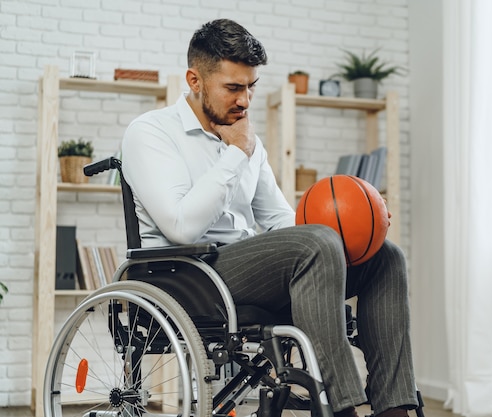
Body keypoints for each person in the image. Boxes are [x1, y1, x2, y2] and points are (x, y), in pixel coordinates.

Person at [122, 18, 418, 417]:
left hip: (246, 271)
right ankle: (342, 408)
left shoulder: (243, 139)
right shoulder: (151, 132)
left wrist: (363, 229)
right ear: (195, 80)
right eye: (232, 88)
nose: (244, 100)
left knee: (385, 256)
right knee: (316, 244)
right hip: (188, 275)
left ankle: (394, 410)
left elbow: (280, 221)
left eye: (250, 87)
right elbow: (180, 227)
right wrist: (236, 154)